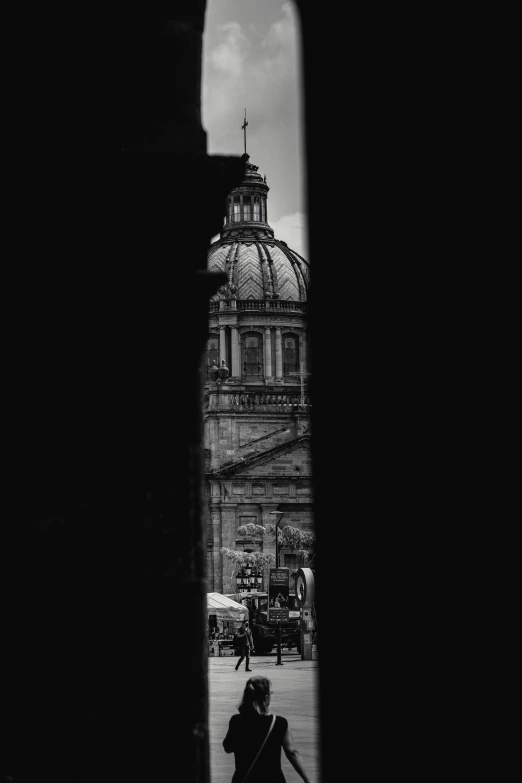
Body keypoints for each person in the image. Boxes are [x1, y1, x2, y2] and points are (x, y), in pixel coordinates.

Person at [223, 676, 312, 783]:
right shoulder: (279, 723)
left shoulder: (236, 720)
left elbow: (228, 748)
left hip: (244, 778)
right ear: (266, 698)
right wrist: (307, 780)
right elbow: (292, 753)